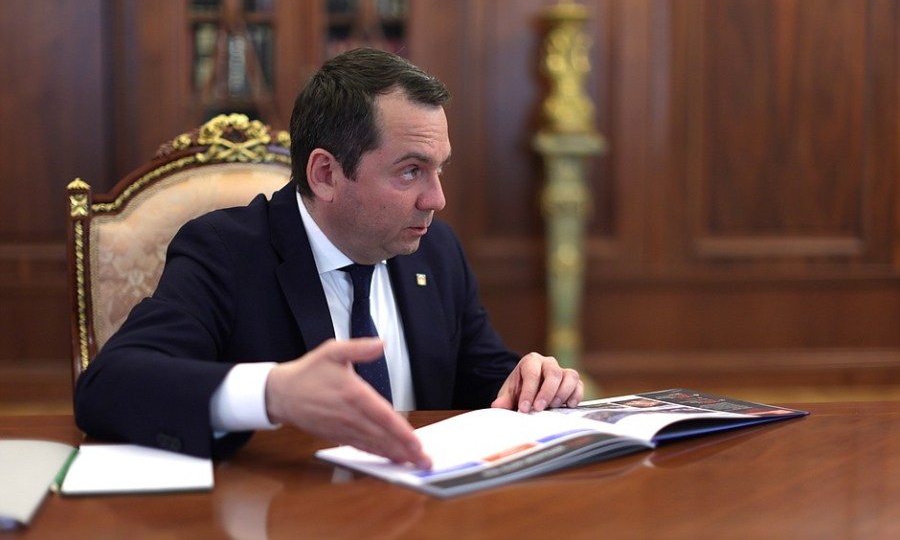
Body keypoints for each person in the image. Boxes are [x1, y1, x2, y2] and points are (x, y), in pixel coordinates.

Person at [74, 47, 584, 468]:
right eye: (410, 171)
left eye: (439, 169)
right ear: (325, 174)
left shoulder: (436, 251)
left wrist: (529, 380)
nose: (436, 199)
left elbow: (480, 373)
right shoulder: (226, 252)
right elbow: (108, 386)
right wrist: (271, 392)